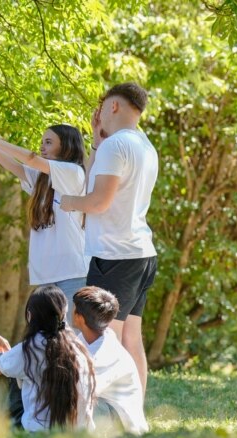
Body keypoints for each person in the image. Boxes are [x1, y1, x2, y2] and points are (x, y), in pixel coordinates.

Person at [58, 82, 158, 396]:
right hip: (141, 253)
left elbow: (98, 201)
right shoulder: (143, 144)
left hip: (114, 255)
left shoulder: (116, 146)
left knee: (103, 340)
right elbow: (99, 180)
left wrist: (69, 201)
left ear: (112, 106)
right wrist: (96, 137)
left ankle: (100, 415)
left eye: (102, 106)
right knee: (131, 339)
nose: (99, 112)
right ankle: (134, 417)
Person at [0, 120, 88, 322]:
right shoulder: (43, 179)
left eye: (49, 142)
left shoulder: (73, 173)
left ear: (67, 146)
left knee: (71, 337)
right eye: (42, 142)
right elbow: (12, 165)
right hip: (45, 276)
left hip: (73, 273)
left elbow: (30, 159)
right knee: (46, 336)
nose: (42, 146)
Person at [0, 285, 96, 432]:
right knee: (5, 367)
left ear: (29, 315)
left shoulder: (29, 349)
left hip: (37, 437)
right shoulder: (80, 347)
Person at [71, 286, 148, 435]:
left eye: (73, 309)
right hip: (102, 405)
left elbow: (84, 390)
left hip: (122, 423)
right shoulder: (85, 338)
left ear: (79, 317)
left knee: (70, 401)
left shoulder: (106, 352)